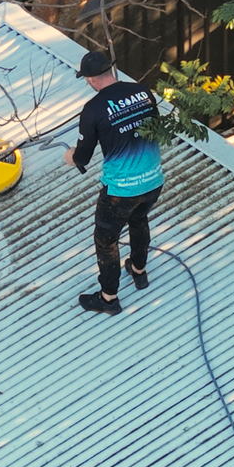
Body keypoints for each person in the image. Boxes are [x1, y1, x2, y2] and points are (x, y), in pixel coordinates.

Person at [63, 50, 162, 314]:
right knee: (139, 221)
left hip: (120, 191)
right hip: (153, 180)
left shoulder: (93, 109)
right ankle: (139, 271)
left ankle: (108, 298)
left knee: (106, 242)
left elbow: (83, 156)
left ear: (91, 79)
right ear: (111, 71)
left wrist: (70, 157)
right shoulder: (143, 91)